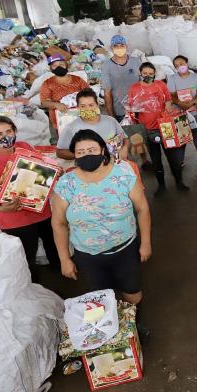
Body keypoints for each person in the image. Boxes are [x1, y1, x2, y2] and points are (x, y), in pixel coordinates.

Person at [51, 129, 153, 338]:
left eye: (91, 149)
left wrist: (146, 242)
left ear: (102, 150)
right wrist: (64, 258)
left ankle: (134, 323)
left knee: (132, 291)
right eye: (80, 152)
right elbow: (59, 223)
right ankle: (112, 332)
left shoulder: (123, 174)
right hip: (88, 255)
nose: (87, 155)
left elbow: (142, 209)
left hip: (125, 248)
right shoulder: (66, 184)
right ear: (74, 156)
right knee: (100, 296)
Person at [0, 116, 57, 282]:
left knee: (54, 247)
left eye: (9, 131)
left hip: (41, 211)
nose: (6, 137)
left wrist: (53, 171)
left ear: (15, 131)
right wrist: (1, 208)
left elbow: (40, 168)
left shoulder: (24, 147)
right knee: (27, 258)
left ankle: (63, 276)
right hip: (16, 220)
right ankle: (34, 290)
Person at [126, 62, 188, 193]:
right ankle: (161, 186)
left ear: (154, 74)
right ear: (140, 73)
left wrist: (168, 107)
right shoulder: (134, 88)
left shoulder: (160, 85)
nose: (147, 76)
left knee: (173, 157)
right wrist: (133, 112)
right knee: (156, 159)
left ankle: (179, 182)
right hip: (148, 129)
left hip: (165, 126)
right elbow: (130, 108)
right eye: (145, 74)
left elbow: (168, 100)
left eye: (150, 73)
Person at [56, 88, 128, 161]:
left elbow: (124, 138)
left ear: (97, 105)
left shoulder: (111, 121)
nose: (88, 109)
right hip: (89, 167)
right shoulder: (71, 127)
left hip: (115, 164)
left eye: (91, 105)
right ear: (77, 107)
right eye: (83, 106)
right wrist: (82, 154)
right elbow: (59, 152)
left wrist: (124, 149)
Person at [167, 55, 197, 172]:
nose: (180, 66)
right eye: (177, 65)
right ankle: (180, 160)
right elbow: (172, 95)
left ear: (186, 63)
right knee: (182, 138)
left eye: (181, 63)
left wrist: (191, 103)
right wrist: (180, 104)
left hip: (194, 111)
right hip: (179, 113)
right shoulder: (172, 78)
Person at [39, 53, 90, 124]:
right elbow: (44, 103)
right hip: (61, 120)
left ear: (66, 65)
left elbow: (90, 94)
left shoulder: (78, 80)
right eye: (55, 66)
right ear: (51, 69)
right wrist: (56, 105)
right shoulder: (47, 83)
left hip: (81, 116)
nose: (58, 67)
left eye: (61, 64)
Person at [101, 34, 142, 121]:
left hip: (140, 109)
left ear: (126, 46)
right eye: (116, 46)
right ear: (111, 48)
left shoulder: (136, 62)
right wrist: (112, 117)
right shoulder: (106, 66)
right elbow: (107, 93)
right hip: (120, 111)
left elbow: (144, 84)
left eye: (122, 45)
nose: (119, 48)